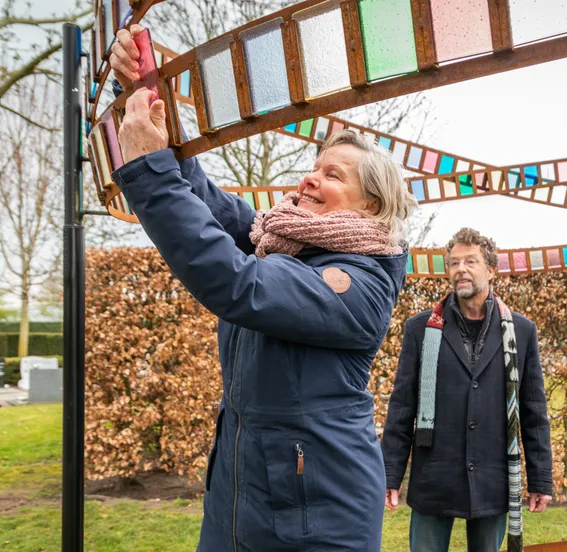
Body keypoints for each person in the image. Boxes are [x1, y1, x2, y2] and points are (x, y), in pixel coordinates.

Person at [110, 27, 417, 551]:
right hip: (241, 501)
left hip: (318, 523)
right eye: (313, 168)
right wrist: (152, 103)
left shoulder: (360, 284)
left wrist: (148, 171)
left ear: (371, 206)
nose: (309, 179)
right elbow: (207, 202)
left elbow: (236, 283)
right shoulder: (280, 241)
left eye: (333, 175)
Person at [381, 228, 553, 552]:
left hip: (493, 481)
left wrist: (541, 479)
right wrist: (390, 475)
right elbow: (403, 406)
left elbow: (533, 411)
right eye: (454, 262)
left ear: (490, 269)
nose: (461, 268)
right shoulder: (419, 329)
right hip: (434, 478)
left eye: (470, 261)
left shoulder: (522, 331)